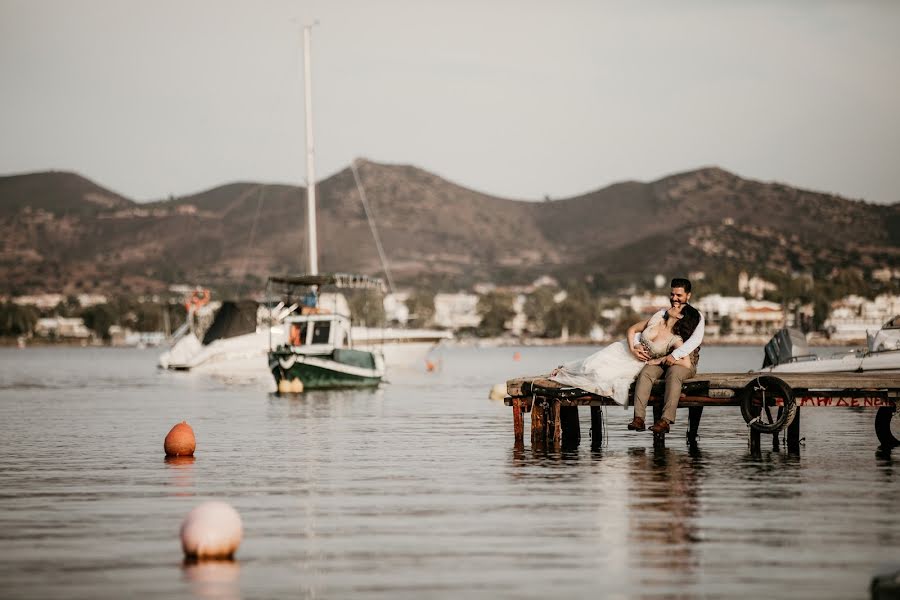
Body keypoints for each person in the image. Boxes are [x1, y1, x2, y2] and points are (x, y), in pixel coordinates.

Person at [548, 299, 701, 410]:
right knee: (591, 364)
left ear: (681, 316)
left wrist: (660, 360)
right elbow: (632, 329)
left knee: (601, 376)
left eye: (679, 306)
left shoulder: (676, 340)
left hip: (635, 363)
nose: (675, 304)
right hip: (623, 349)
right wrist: (634, 345)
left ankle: (567, 374)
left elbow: (686, 364)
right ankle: (565, 370)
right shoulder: (657, 318)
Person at [627, 278, 705, 434]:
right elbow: (644, 331)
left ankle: (665, 420)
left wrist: (672, 356)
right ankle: (639, 418)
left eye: (679, 295)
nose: (674, 299)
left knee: (674, 373)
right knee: (646, 373)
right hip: (660, 357)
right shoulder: (662, 313)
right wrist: (637, 344)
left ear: (688, 295)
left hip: (685, 360)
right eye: (672, 294)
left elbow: (694, 342)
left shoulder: (695, 316)